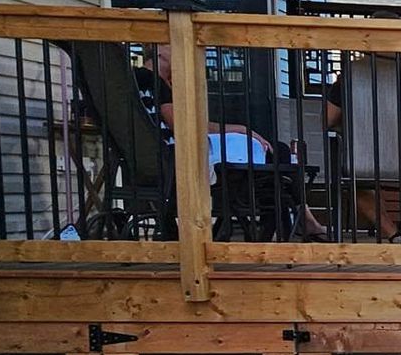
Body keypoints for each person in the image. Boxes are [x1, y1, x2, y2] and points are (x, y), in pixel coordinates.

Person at [139, 47, 327, 239]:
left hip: (168, 157)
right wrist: (240, 129)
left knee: (275, 164)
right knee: (278, 154)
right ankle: (296, 221)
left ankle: (294, 220)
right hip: (184, 157)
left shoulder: (141, 82)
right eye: (173, 44)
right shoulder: (153, 80)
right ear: (159, 50)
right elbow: (183, 125)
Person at [323, 73, 401, 243]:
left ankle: (393, 235)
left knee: (355, 181)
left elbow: (327, 120)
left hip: (371, 161)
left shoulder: (352, 76)